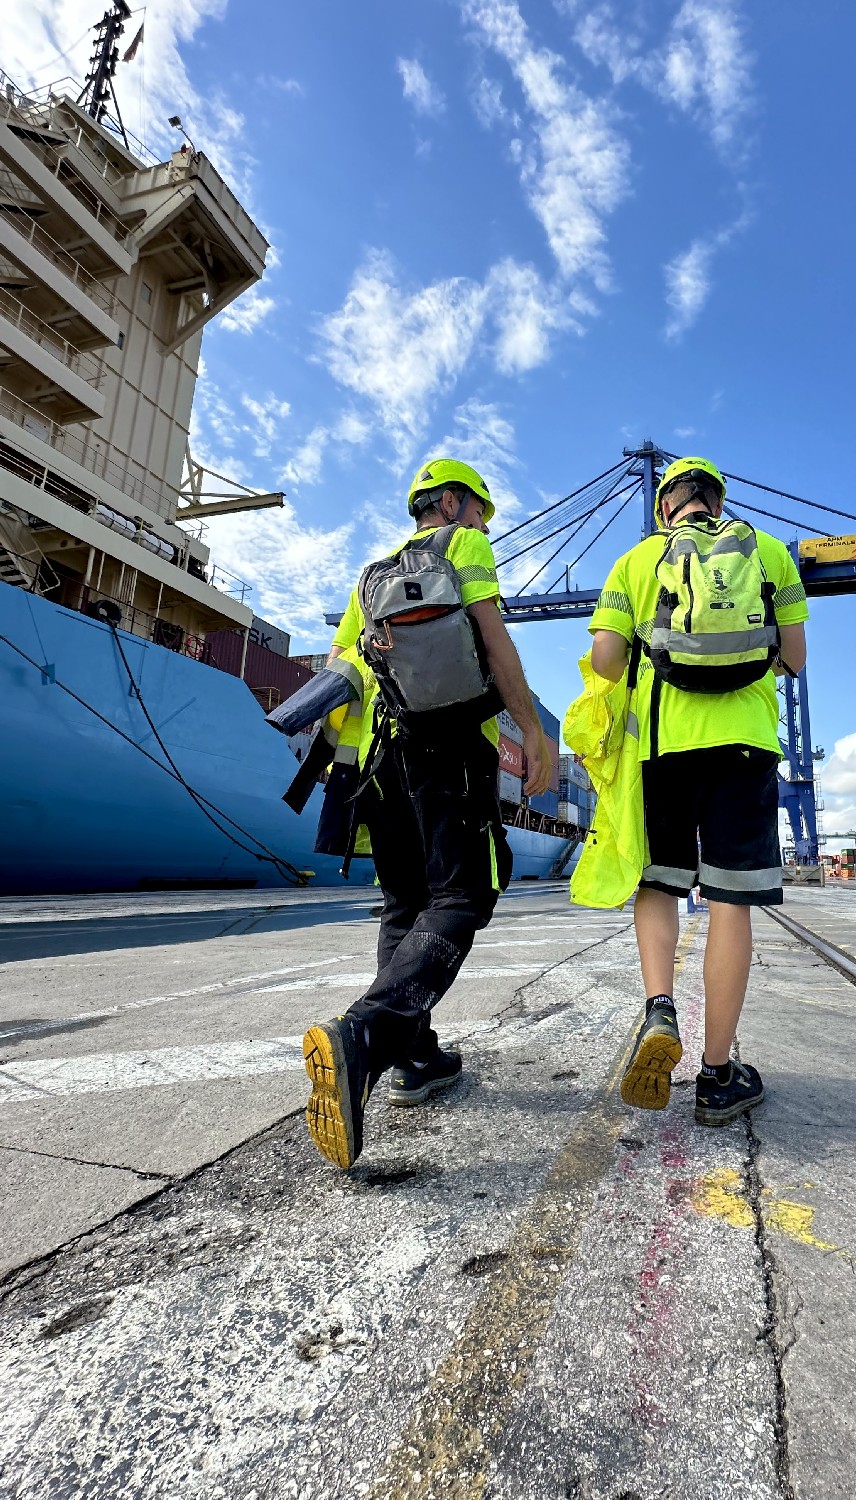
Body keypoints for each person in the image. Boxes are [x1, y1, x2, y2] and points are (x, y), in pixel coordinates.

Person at [303, 458, 550, 1169]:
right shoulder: (459, 548)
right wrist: (529, 730)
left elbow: (339, 664)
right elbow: (492, 637)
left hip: (378, 760)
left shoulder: (369, 572)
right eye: (479, 510)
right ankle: (367, 1032)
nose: (483, 526)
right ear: (448, 502)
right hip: (448, 749)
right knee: (462, 894)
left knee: (403, 903)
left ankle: (416, 1057)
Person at [586, 456, 808, 1125]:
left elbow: (604, 657)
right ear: (718, 499)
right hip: (743, 749)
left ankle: (659, 1011)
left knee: (657, 887)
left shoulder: (635, 561)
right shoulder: (768, 553)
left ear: (663, 507)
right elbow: (793, 658)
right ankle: (717, 1075)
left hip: (661, 750)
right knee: (729, 903)